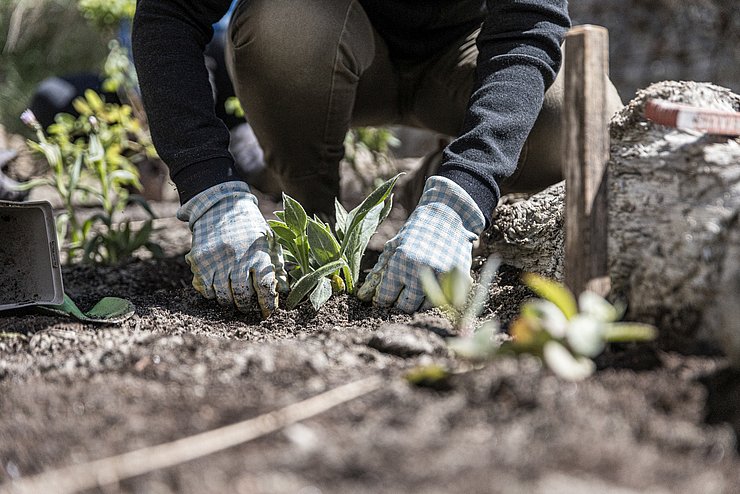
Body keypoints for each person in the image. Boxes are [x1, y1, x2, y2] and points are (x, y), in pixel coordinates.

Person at [132, 0, 622, 316]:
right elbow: (170, 11)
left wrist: (462, 197)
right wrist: (209, 190)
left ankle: (422, 192)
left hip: (469, 52)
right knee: (285, 25)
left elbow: (528, 19)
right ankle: (311, 216)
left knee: (583, 115)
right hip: (328, 34)